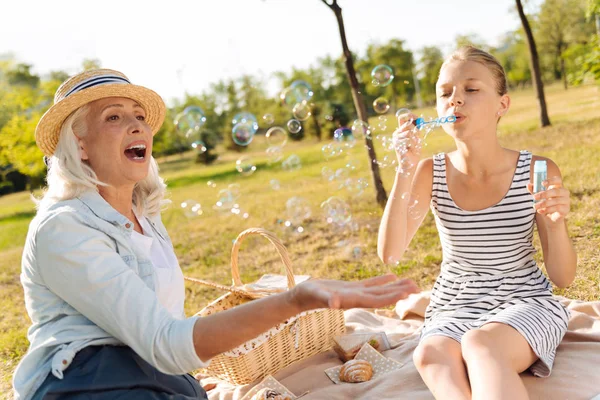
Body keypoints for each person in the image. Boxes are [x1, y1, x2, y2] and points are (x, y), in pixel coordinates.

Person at [13, 68, 420, 400]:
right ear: (80, 145)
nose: (137, 126)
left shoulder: (144, 217)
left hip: (149, 375)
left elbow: (164, 330)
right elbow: (165, 342)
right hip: (84, 382)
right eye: (114, 117)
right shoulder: (63, 228)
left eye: (139, 116)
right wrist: (294, 300)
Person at [377, 46, 576, 400]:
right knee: (430, 354)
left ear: (503, 104)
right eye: (445, 92)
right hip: (454, 304)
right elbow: (390, 253)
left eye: (471, 90)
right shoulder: (429, 173)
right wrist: (404, 171)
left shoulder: (538, 171)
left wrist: (556, 223)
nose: (455, 100)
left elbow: (562, 278)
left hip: (525, 299)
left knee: (482, 345)